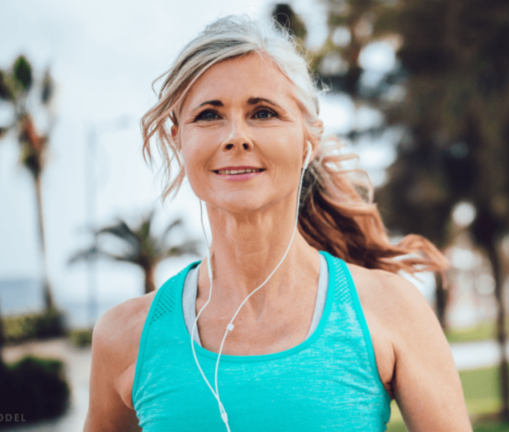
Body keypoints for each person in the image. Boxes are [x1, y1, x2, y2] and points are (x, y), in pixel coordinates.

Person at [84, 15, 471, 432]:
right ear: (178, 139)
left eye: (264, 112)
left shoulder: (391, 311)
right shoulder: (125, 338)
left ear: (310, 140)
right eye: (209, 115)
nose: (235, 136)